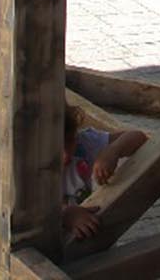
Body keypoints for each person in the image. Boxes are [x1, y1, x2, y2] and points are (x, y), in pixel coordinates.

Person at [57, 103, 147, 245]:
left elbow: (138, 137)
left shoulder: (85, 143)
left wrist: (113, 150)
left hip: (93, 241)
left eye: (69, 141)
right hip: (52, 250)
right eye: (53, 148)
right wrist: (64, 214)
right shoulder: (26, 170)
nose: (66, 156)